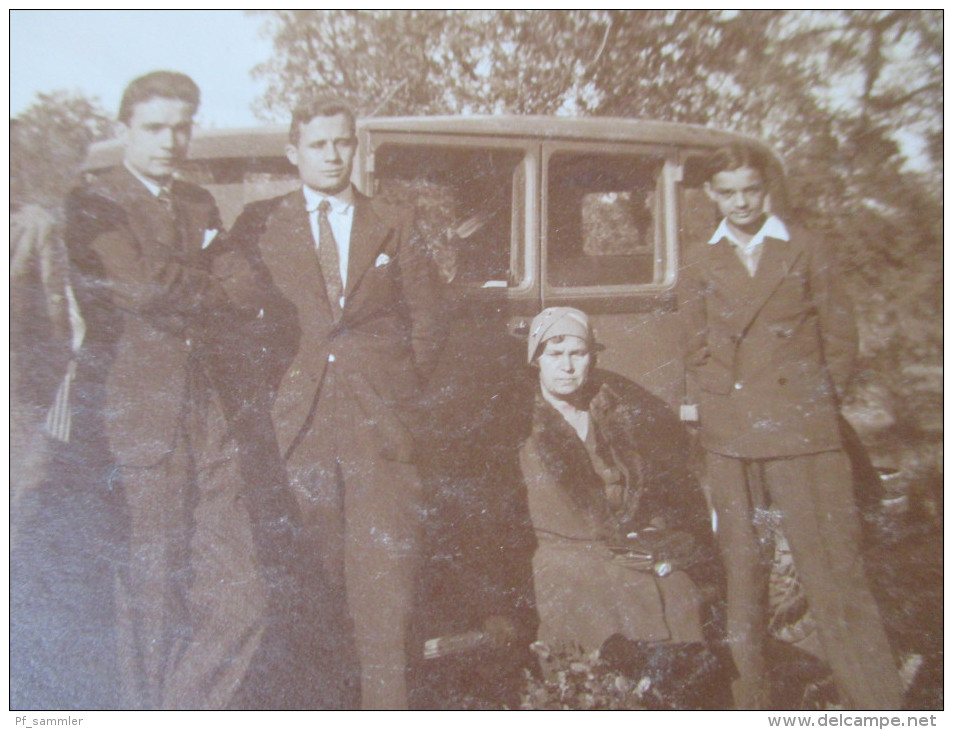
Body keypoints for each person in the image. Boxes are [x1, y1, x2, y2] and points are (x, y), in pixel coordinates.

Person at [216, 94, 443, 710]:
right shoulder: (261, 223)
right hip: (300, 431)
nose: (332, 155)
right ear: (294, 152)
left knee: (385, 591)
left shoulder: (395, 220)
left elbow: (427, 321)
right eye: (318, 144)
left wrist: (395, 395)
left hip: (381, 430)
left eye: (343, 142)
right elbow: (236, 316)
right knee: (309, 586)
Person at [62, 71, 266, 709]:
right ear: (124, 128)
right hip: (138, 415)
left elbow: (249, 288)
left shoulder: (199, 204)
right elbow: (140, 287)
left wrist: (201, 280)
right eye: (154, 127)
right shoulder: (95, 201)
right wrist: (209, 281)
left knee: (244, 598)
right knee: (149, 601)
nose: (170, 141)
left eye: (181, 127)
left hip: (206, 413)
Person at [679, 143, 901, 709]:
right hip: (732, 440)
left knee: (834, 575)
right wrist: (722, 402)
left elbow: (841, 341)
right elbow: (693, 343)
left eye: (750, 190)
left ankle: (880, 709)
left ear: (766, 189)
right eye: (727, 192)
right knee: (743, 575)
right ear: (711, 195)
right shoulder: (700, 260)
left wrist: (810, 407)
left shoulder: (805, 249)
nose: (741, 203)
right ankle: (749, 707)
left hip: (804, 438)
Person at [518, 307, 727, 706]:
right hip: (565, 557)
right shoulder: (519, 425)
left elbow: (663, 491)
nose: (566, 366)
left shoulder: (615, 411)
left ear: (592, 359)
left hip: (625, 551)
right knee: (594, 637)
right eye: (554, 354)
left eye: (577, 354)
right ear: (536, 360)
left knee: (677, 595)